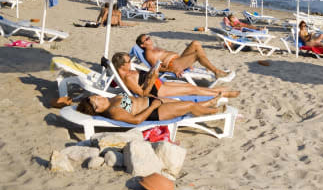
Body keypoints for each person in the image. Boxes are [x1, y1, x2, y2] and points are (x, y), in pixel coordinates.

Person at [111, 52, 240, 99]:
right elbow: (143, 94)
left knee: (190, 86)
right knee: (191, 90)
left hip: (158, 83)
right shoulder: (127, 78)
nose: (131, 63)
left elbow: (143, 81)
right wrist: (152, 79)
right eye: (129, 62)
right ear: (121, 65)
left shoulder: (128, 72)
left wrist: (152, 73)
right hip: (158, 90)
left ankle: (216, 91)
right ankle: (221, 94)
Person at [77, 93, 227, 124]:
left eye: (95, 96)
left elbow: (132, 102)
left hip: (151, 102)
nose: (99, 97)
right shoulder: (114, 111)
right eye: (96, 100)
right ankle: (215, 112)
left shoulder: (110, 101)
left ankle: (209, 103)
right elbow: (136, 120)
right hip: (154, 112)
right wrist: (154, 105)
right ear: (97, 110)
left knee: (181, 101)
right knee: (189, 106)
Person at [136, 34, 234, 81]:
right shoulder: (149, 54)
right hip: (174, 65)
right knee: (197, 55)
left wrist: (186, 63)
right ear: (142, 45)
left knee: (195, 43)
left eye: (149, 37)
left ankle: (208, 66)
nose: (149, 39)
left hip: (178, 60)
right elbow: (156, 68)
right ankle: (216, 71)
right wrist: (173, 71)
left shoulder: (154, 48)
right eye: (147, 39)